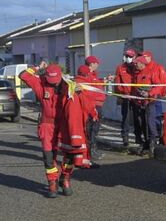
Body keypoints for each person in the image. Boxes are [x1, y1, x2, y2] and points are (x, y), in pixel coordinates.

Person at [18, 63, 89, 198]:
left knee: (70, 154)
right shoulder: (40, 83)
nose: (54, 84)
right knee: (48, 156)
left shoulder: (69, 85)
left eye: (56, 81)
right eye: (51, 81)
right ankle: (52, 182)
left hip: (65, 124)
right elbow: (23, 75)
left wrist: (79, 92)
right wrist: (38, 67)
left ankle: (65, 178)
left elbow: (82, 102)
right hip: (47, 125)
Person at [134, 51, 166, 156]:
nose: (135, 65)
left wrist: (149, 93)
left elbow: (159, 86)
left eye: (137, 63)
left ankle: (153, 145)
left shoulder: (151, 72)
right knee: (142, 124)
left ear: (142, 63)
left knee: (151, 123)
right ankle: (146, 144)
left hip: (150, 102)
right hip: (140, 103)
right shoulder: (137, 74)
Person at [81, 56, 106, 161]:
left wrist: (103, 81)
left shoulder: (93, 75)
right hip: (93, 105)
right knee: (91, 129)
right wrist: (93, 107)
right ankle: (90, 151)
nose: (98, 65)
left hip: (97, 104)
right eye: (96, 63)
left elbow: (96, 85)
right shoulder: (88, 75)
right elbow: (90, 92)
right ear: (92, 64)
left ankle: (93, 149)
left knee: (95, 129)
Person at [114, 49, 138, 147]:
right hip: (125, 96)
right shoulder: (120, 68)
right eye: (127, 56)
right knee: (126, 118)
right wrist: (121, 94)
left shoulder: (137, 67)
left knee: (138, 118)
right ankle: (125, 137)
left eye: (130, 57)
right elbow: (117, 83)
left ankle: (138, 137)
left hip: (136, 96)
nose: (128, 58)